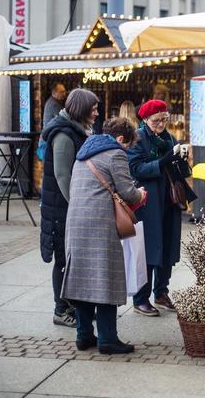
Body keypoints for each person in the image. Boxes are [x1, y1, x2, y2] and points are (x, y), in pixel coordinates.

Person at [61, 118, 146, 354]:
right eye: (127, 146)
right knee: (107, 275)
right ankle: (108, 339)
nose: (126, 151)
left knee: (84, 276)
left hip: (76, 221)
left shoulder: (84, 152)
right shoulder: (115, 154)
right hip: (99, 222)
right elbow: (128, 192)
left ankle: (84, 335)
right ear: (120, 139)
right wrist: (139, 194)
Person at [127, 99, 193, 316]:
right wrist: (163, 161)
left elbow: (180, 170)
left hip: (169, 200)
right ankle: (141, 298)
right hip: (147, 202)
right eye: (157, 120)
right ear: (145, 119)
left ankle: (161, 292)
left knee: (167, 247)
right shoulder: (137, 139)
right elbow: (135, 169)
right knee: (148, 249)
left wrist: (182, 160)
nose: (161, 123)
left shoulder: (169, 137)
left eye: (165, 119)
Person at [40, 88, 99, 327]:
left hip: (70, 206)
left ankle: (73, 306)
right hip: (62, 209)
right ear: (81, 109)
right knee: (63, 259)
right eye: (93, 108)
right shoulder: (64, 134)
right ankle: (60, 309)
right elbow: (63, 176)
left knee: (72, 258)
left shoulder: (78, 129)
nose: (96, 112)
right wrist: (78, 207)